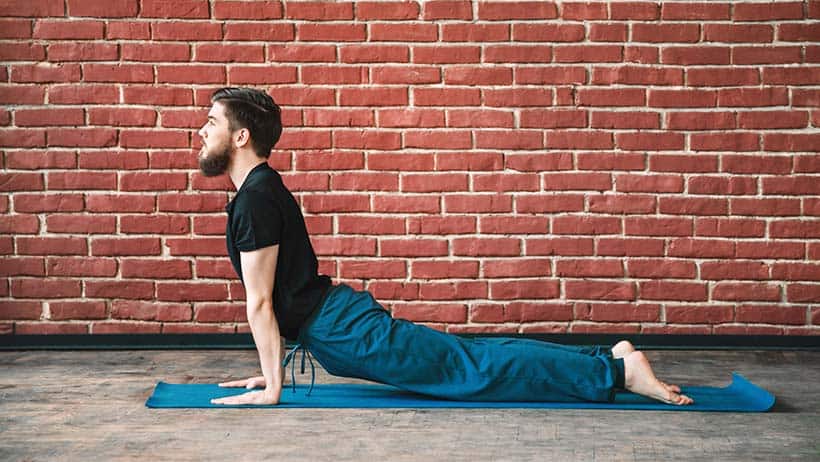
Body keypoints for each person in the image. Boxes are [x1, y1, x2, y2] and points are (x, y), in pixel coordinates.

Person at [196, 87, 693, 407]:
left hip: (343, 330)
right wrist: (267, 373)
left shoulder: (256, 199)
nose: (202, 130)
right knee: (469, 356)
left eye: (212, 122)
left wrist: (274, 389)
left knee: (469, 369)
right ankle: (608, 357)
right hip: (336, 326)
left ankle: (617, 371)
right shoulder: (259, 191)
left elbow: (261, 302)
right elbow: (277, 296)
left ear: (241, 136)